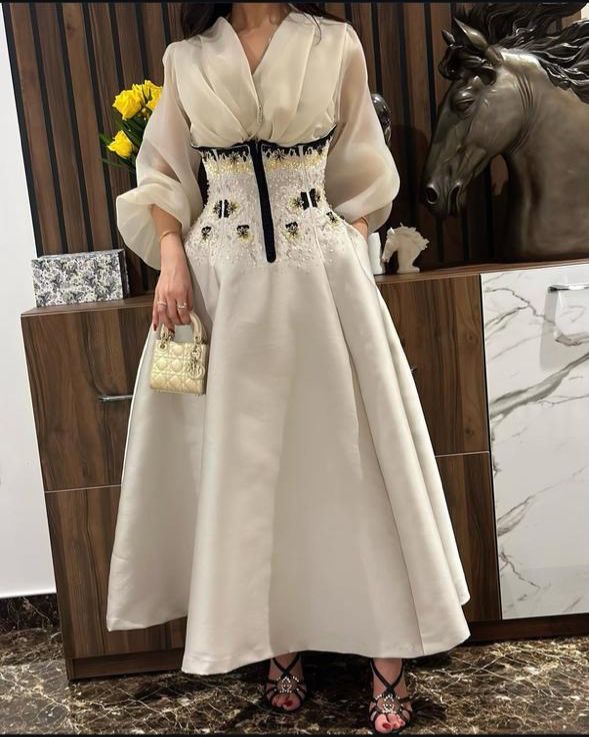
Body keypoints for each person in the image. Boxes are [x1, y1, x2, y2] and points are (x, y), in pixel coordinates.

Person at [105, 3, 472, 733]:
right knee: (249, 472)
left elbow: (365, 166)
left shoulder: (333, 43)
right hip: (223, 283)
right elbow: (162, 176)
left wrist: (346, 242)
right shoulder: (188, 58)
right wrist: (170, 259)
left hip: (321, 280)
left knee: (353, 464)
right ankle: (279, 649)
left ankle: (388, 659)